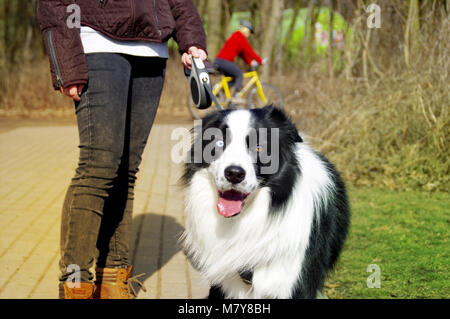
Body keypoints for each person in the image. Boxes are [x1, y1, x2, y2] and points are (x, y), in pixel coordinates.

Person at [37, 0, 207, 299]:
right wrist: (66, 60)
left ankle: (111, 277)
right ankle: (75, 282)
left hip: (152, 51)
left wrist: (191, 40)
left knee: (127, 170)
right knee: (98, 167)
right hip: (96, 42)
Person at [214, 20, 263, 103]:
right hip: (223, 61)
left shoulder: (237, 37)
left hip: (221, 61)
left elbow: (243, 54)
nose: (249, 34)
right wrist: (260, 61)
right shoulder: (239, 36)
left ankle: (219, 92)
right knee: (239, 74)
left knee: (233, 79)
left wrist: (250, 62)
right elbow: (249, 51)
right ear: (245, 29)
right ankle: (236, 96)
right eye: (249, 31)